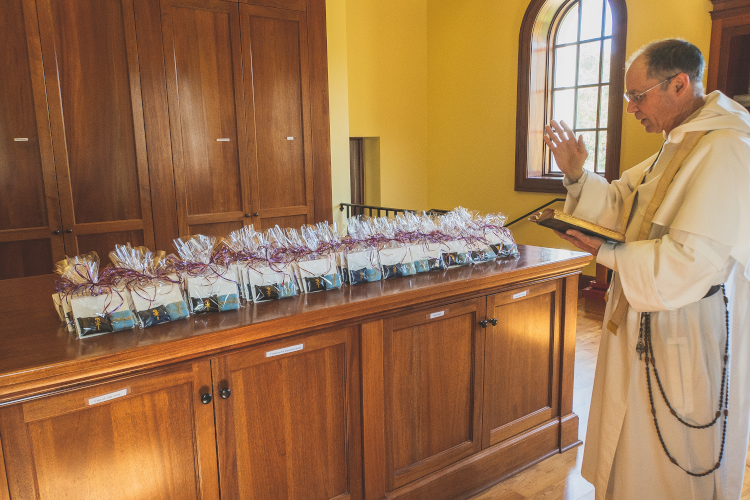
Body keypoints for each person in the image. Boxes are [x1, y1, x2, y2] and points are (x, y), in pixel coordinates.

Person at [543, 39, 750, 499]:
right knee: (631, 449)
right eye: (628, 98)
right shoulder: (676, 143)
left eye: (638, 96)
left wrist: (608, 254)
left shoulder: (727, 147)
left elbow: (694, 262)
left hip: (685, 329)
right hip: (646, 315)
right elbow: (623, 203)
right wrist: (578, 176)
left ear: (679, 84)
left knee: (668, 462)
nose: (632, 108)